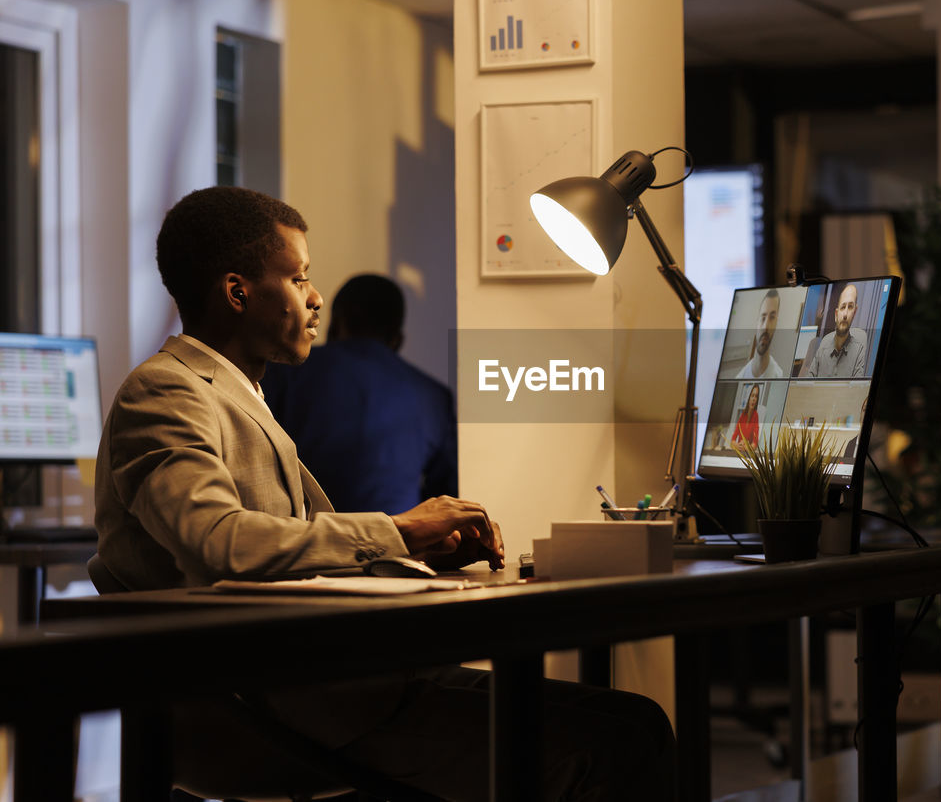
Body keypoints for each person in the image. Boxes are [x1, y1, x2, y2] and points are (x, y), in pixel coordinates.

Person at [94, 186, 674, 801]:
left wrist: (417, 557)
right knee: (617, 746)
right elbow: (220, 543)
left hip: (334, 683)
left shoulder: (244, 395)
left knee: (638, 719)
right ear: (238, 293)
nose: (316, 299)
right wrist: (398, 529)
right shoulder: (164, 392)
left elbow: (294, 562)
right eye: (299, 279)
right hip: (276, 711)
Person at [262, 273, 457, 514]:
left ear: (334, 326)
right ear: (397, 339)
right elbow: (444, 500)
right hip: (401, 545)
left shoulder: (283, 374)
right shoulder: (435, 397)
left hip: (310, 542)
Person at [806, 282, 868, 378]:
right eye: (843, 307)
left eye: (850, 307)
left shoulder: (859, 349)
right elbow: (808, 381)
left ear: (854, 312)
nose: (845, 314)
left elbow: (856, 389)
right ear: (836, 314)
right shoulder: (824, 343)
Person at [734, 289, 785, 379]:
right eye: (763, 317)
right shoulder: (740, 377)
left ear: (776, 323)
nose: (766, 326)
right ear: (757, 322)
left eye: (772, 317)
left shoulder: (779, 375)